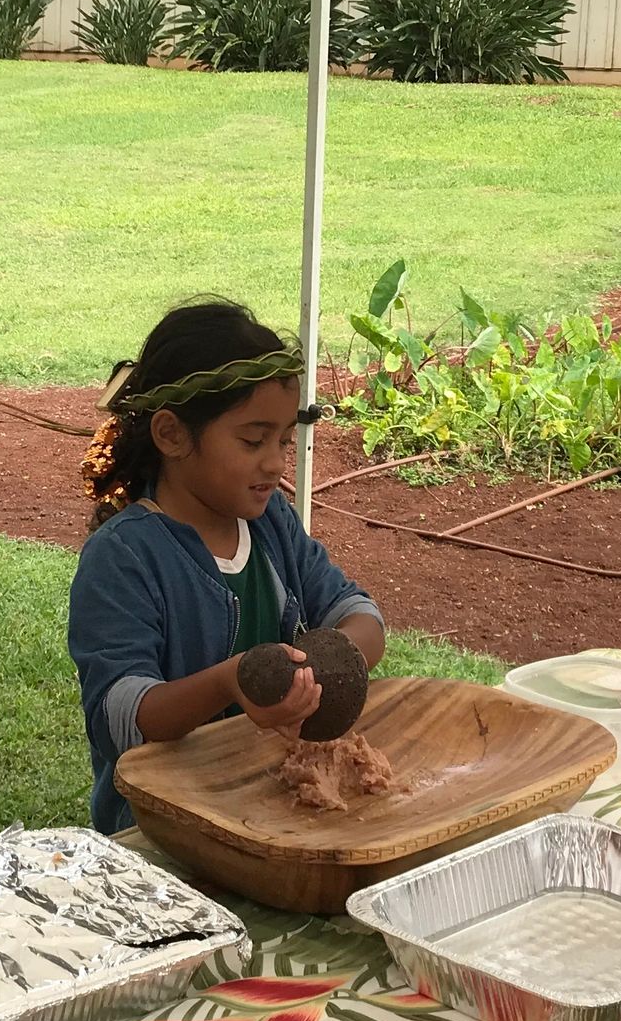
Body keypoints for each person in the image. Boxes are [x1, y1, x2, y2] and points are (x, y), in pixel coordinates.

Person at [67, 299, 385, 834]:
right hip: (164, 831)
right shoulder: (124, 557)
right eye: (252, 440)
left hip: (271, 811)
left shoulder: (270, 523)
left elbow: (359, 613)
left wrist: (326, 664)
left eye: (283, 440)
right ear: (172, 435)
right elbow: (123, 717)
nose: (276, 462)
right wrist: (230, 682)